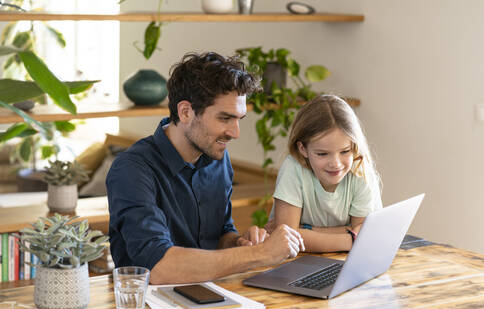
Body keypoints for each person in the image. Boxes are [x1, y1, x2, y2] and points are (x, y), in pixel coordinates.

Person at [106, 52, 304, 285]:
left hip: (210, 293)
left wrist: (241, 243)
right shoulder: (132, 170)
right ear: (186, 112)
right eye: (224, 118)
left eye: (239, 119)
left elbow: (219, 233)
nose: (235, 132)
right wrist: (259, 254)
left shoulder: (217, 157)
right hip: (148, 308)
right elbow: (158, 268)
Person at [268, 94, 382, 252]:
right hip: (296, 264)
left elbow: (367, 233)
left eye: (345, 151)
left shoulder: (360, 169)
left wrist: (307, 229)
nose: (336, 163)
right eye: (322, 154)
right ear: (303, 149)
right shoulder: (293, 168)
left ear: (354, 146)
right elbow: (287, 240)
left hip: (348, 263)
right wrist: (351, 239)